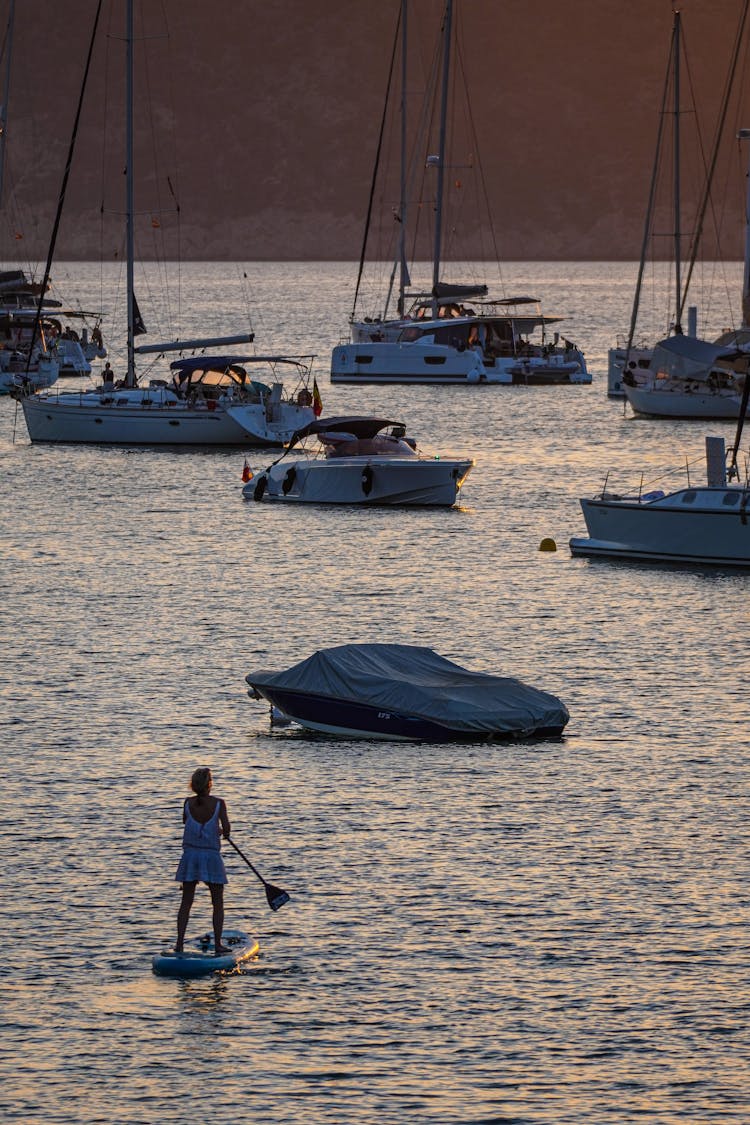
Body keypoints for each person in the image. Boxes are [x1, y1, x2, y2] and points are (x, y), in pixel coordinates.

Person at [174, 766, 231, 954]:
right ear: (209, 785)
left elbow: (186, 822)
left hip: (190, 857)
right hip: (210, 857)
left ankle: (179, 944)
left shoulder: (187, 803)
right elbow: (227, 830)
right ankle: (218, 945)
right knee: (217, 902)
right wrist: (221, 831)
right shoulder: (219, 803)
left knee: (186, 901)